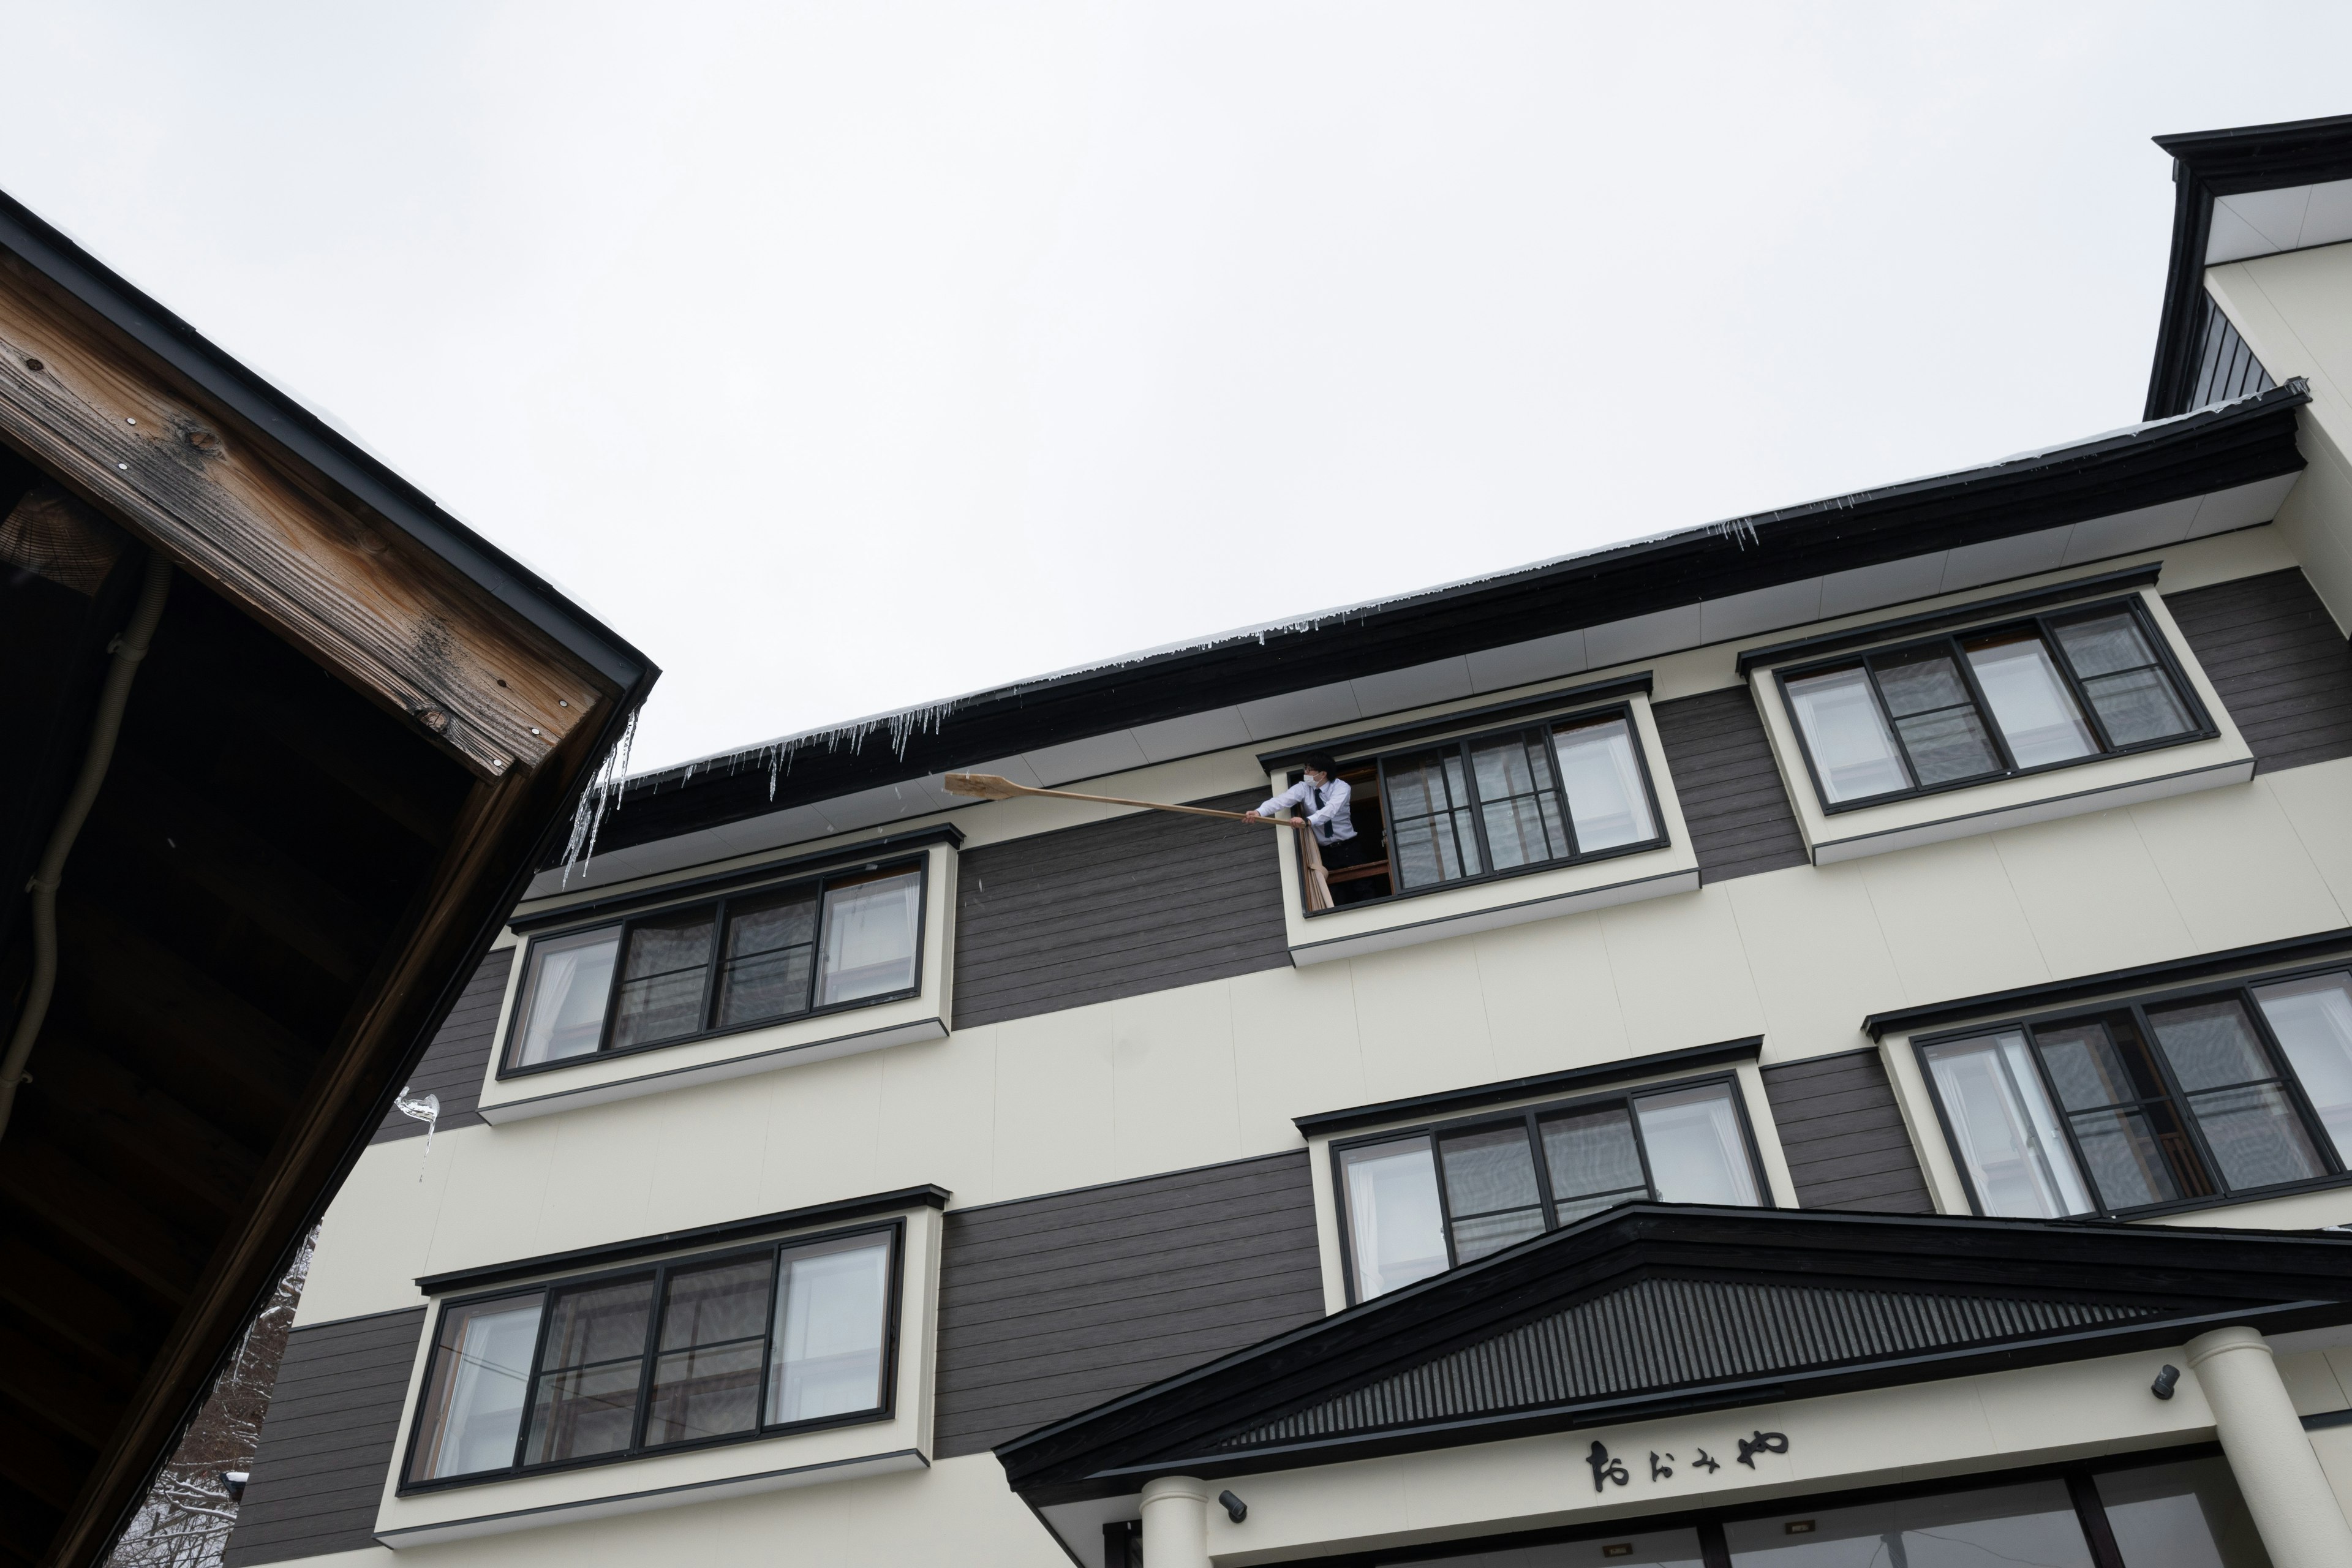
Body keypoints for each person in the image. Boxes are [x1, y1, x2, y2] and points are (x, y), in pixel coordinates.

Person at [1248, 752, 1381, 891]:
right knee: (1334, 891)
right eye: (1305, 768)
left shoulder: (1341, 787)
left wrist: (1307, 821)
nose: (1305, 773)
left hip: (1349, 847)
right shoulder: (1304, 788)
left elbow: (1330, 810)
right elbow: (1281, 800)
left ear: (1323, 774)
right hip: (1324, 851)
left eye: (1309, 770)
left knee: (1364, 886)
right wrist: (1259, 812)